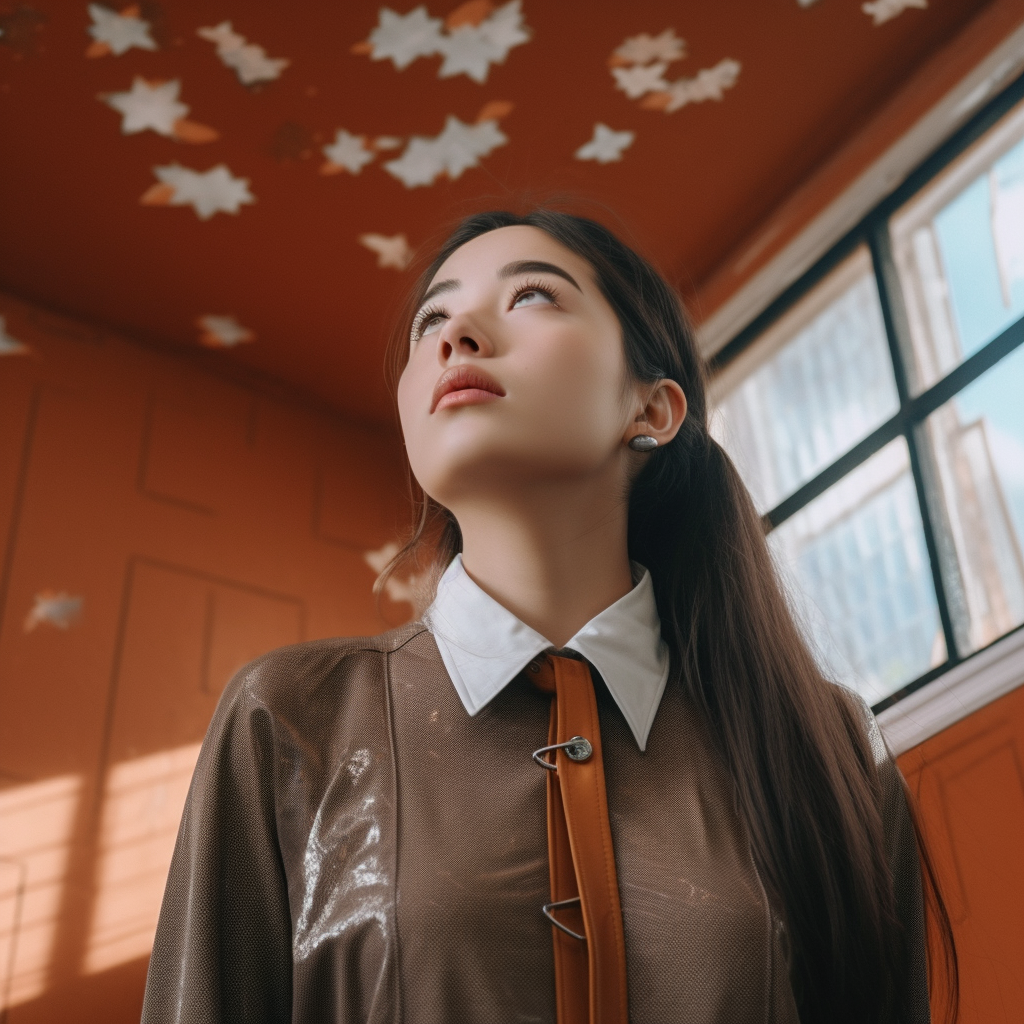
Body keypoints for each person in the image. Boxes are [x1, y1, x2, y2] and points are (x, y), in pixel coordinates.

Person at [141, 209, 956, 1024]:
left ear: (653, 411)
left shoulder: (829, 743)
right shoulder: (287, 718)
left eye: (531, 295)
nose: (455, 331)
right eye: (431, 318)